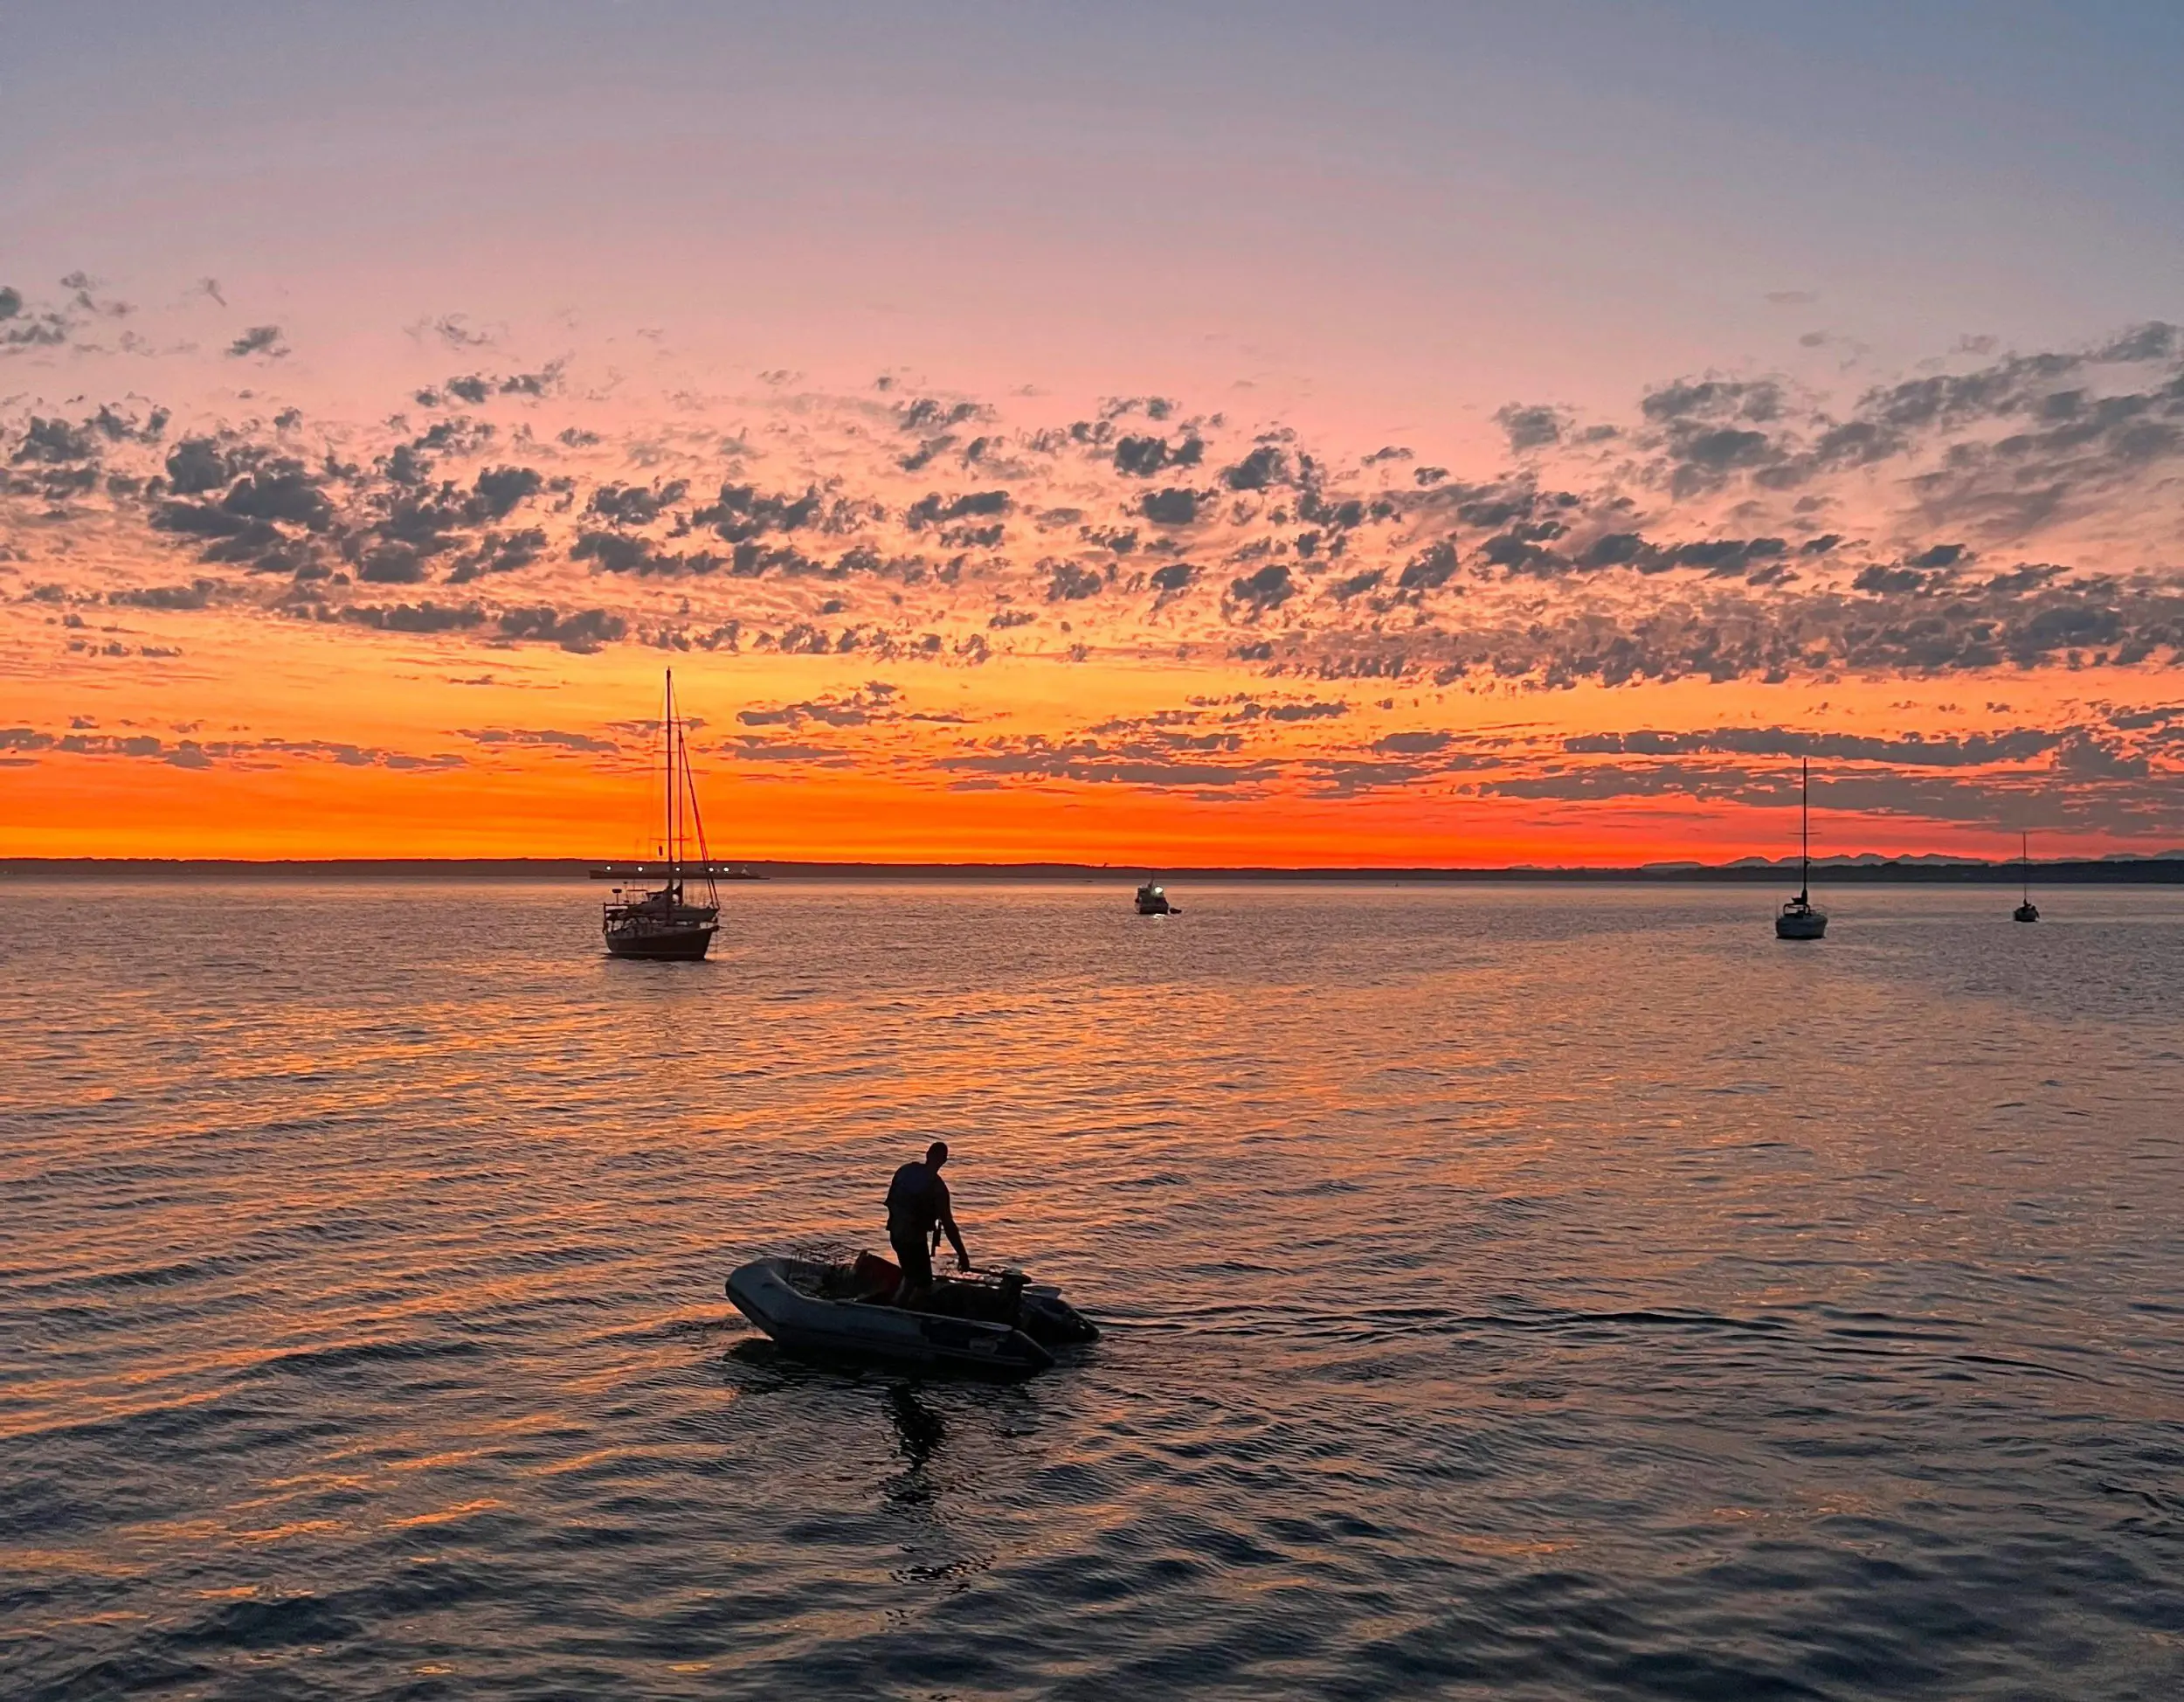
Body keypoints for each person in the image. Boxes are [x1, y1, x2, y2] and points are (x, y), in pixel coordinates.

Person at [886, 1141, 970, 1301]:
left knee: (910, 1276)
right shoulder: (938, 1189)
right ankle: (903, 1312)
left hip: (896, 1234)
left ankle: (899, 1304)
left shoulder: (906, 1171)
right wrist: (962, 1254)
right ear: (944, 1161)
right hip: (913, 1240)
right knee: (924, 1285)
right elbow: (949, 1225)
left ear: (927, 1154)